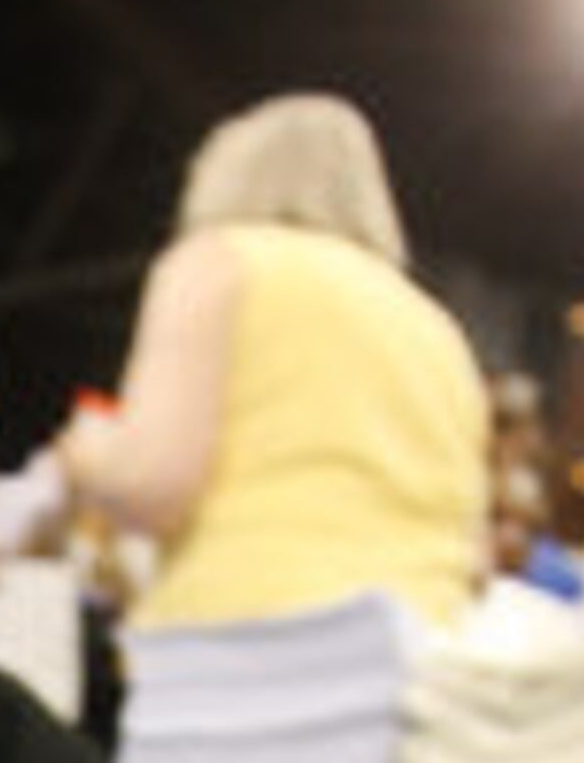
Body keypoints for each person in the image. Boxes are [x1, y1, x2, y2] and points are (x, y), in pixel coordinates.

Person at [49, 91, 488, 630]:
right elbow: (475, 555)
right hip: (420, 646)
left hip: (248, 631)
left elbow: (150, 486)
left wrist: (87, 453)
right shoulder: (439, 329)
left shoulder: (221, 259)